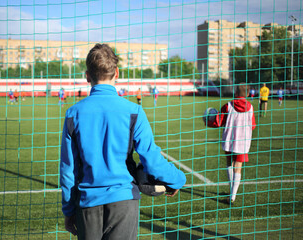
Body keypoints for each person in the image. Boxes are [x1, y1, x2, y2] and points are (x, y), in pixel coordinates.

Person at [60, 44, 186, 240]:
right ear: (117, 73)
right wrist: (178, 179)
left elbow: (68, 171)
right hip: (124, 201)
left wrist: (68, 211)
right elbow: (151, 160)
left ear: (87, 75)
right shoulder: (134, 111)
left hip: (87, 204)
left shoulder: (73, 114)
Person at [208, 84, 256, 205]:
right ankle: (233, 196)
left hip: (229, 139)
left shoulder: (228, 106)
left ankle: (231, 192)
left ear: (235, 92)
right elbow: (253, 125)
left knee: (229, 163)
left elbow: (218, 121)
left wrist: (208, 121)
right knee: (238, 166)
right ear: (248, 94)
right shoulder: (250, 107)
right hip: (243, 141)